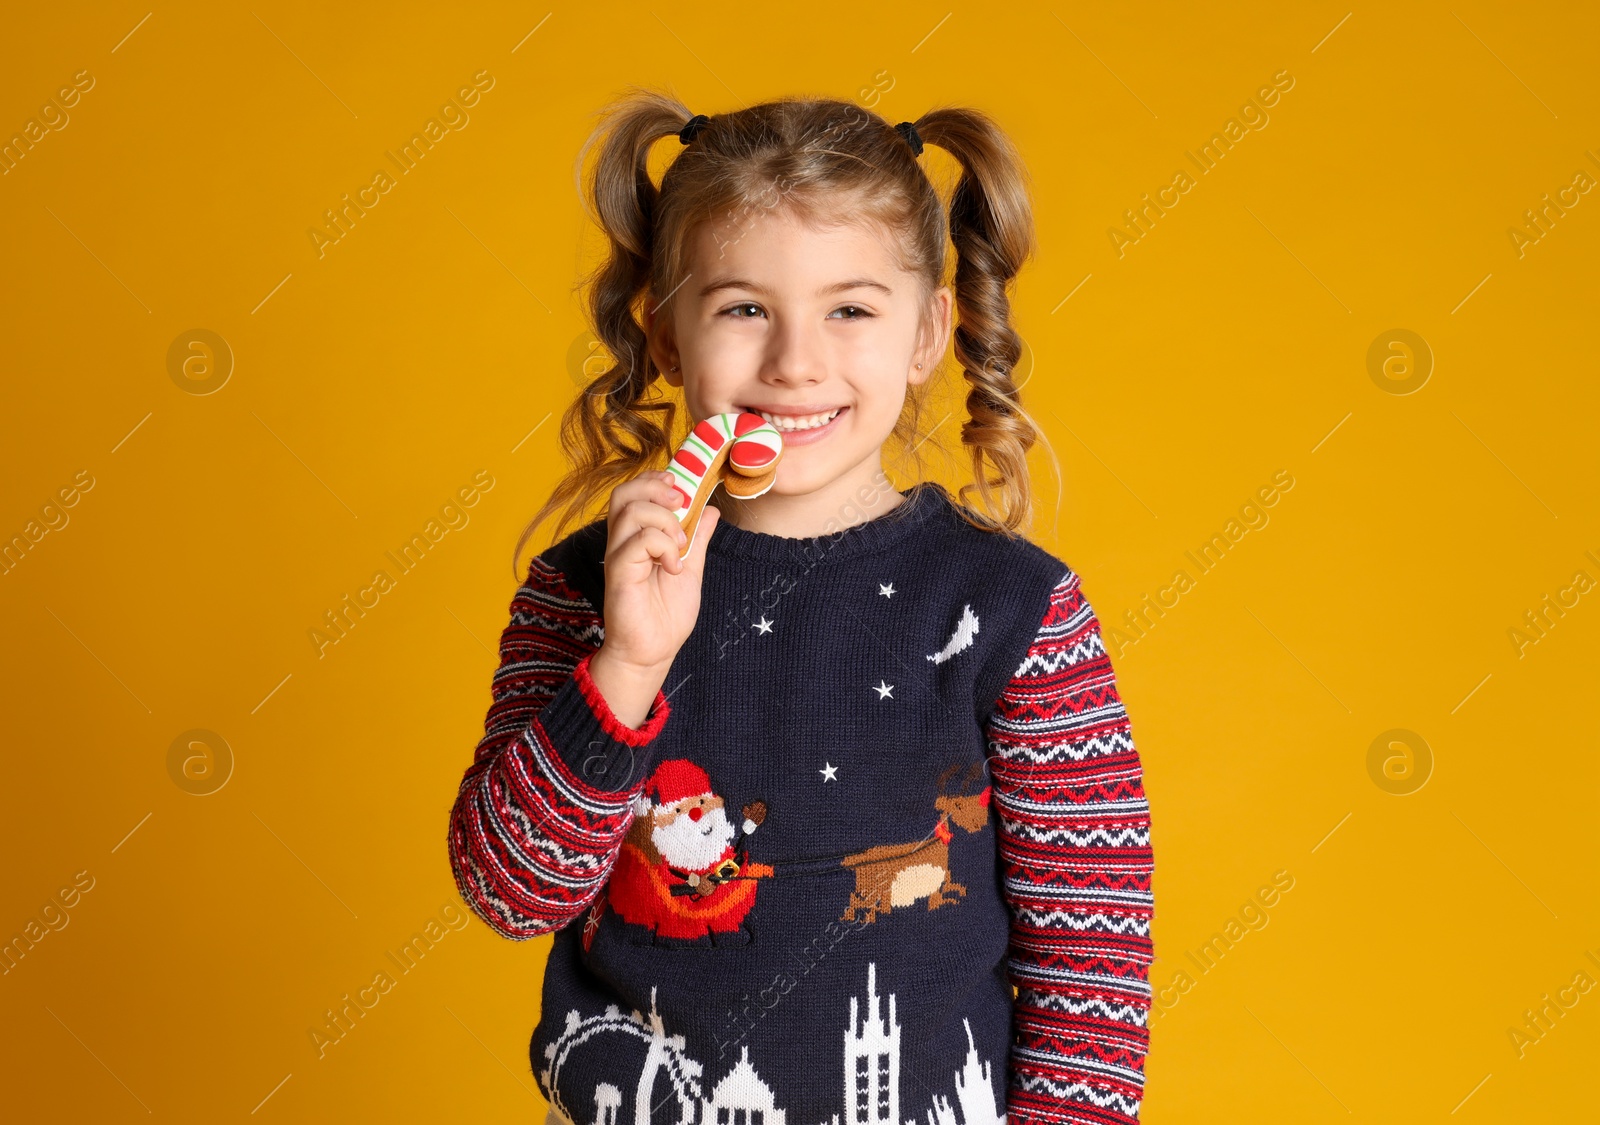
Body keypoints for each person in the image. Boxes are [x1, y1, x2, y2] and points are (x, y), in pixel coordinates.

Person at [446, 89, 1153, 1125]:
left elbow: (1093, 964)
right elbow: (511, 893)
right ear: (669, 338)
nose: (794, 363)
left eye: (850, 310)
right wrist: (627, 667)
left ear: (927, 335)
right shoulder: (579, 592)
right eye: (742, 308)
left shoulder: (1016, 609)